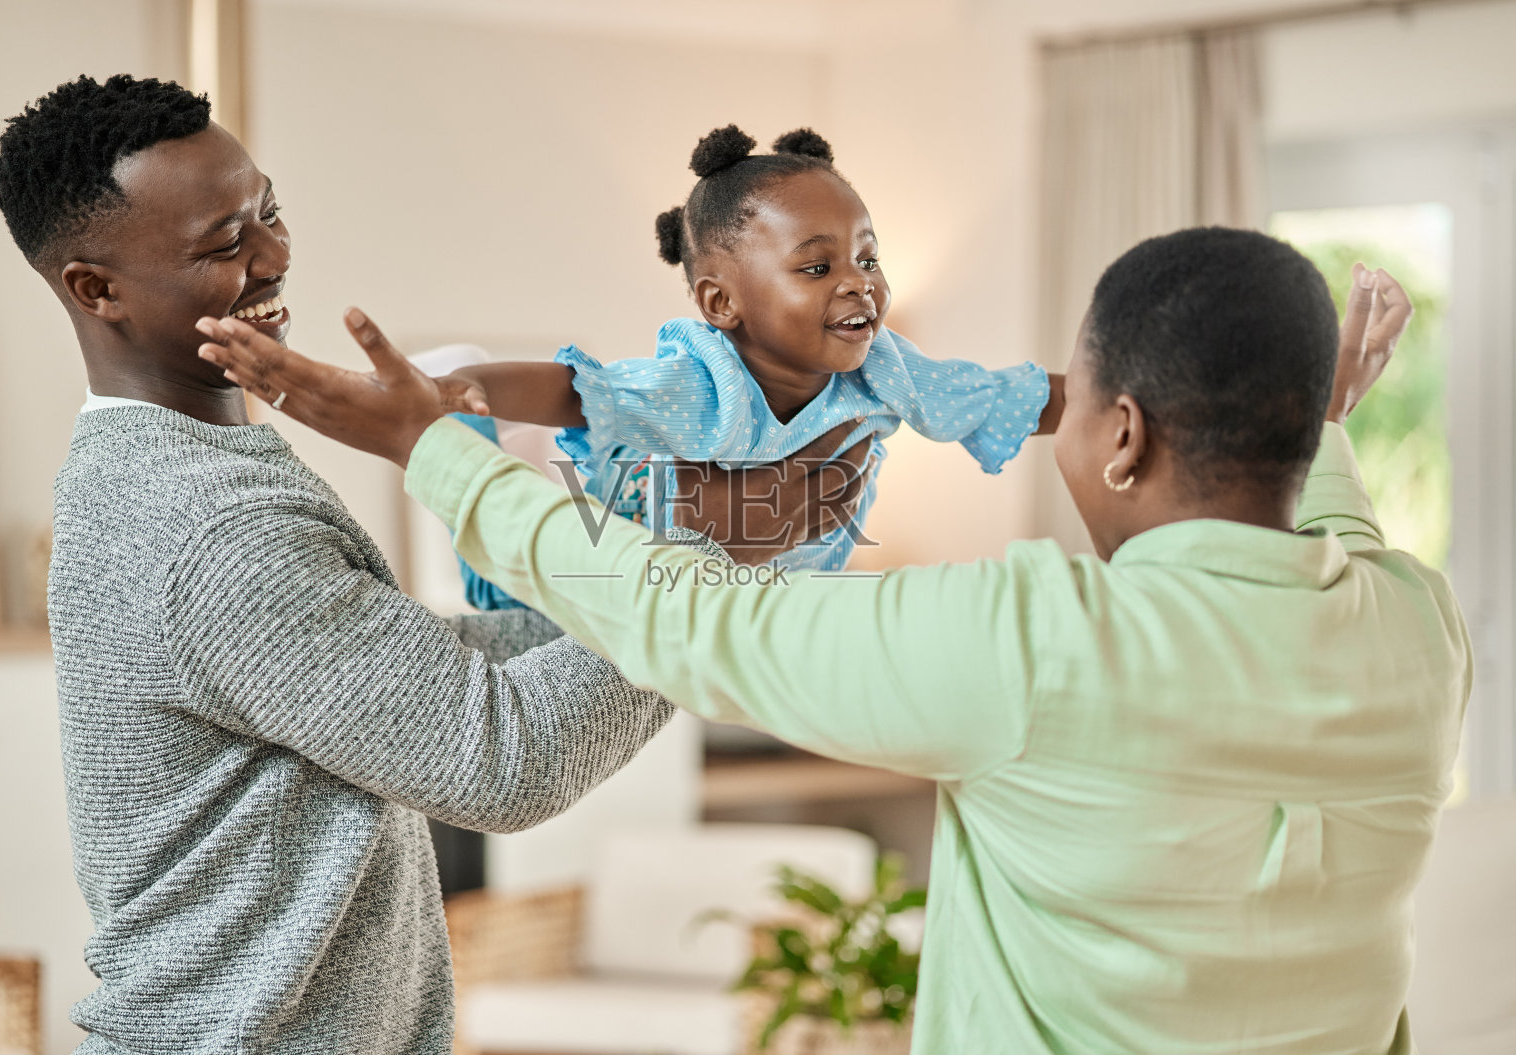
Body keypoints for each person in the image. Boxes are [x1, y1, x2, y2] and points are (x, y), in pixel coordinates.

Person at [199, 227, 1470, 1054]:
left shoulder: (1038, 638)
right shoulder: (1419, 628)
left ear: (1124, 436)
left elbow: (689, 617)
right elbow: (1330, 506)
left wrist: (434, 449)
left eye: (1073, 410)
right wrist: (1320, 414)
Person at [0, 74, 861, 1054]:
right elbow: (499, 757)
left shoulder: (175, 471)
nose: (276, 256)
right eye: (224, 245)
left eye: (268, 210)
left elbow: (428, 669)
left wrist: (681, 552)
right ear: (96, 288)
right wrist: (720, 547)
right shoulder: (205, 527)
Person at [440, 124, 1058, 579]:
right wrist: (461, 386)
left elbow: (1005, 396)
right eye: (817, 266)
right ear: (721, 304)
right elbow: (575, 393)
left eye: (868, 258)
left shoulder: (888, 370)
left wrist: (1123, 393)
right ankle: (457, 401)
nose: (858, 282)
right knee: (501, 580)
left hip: (782, 577)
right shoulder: (702, 386)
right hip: (618, 521)